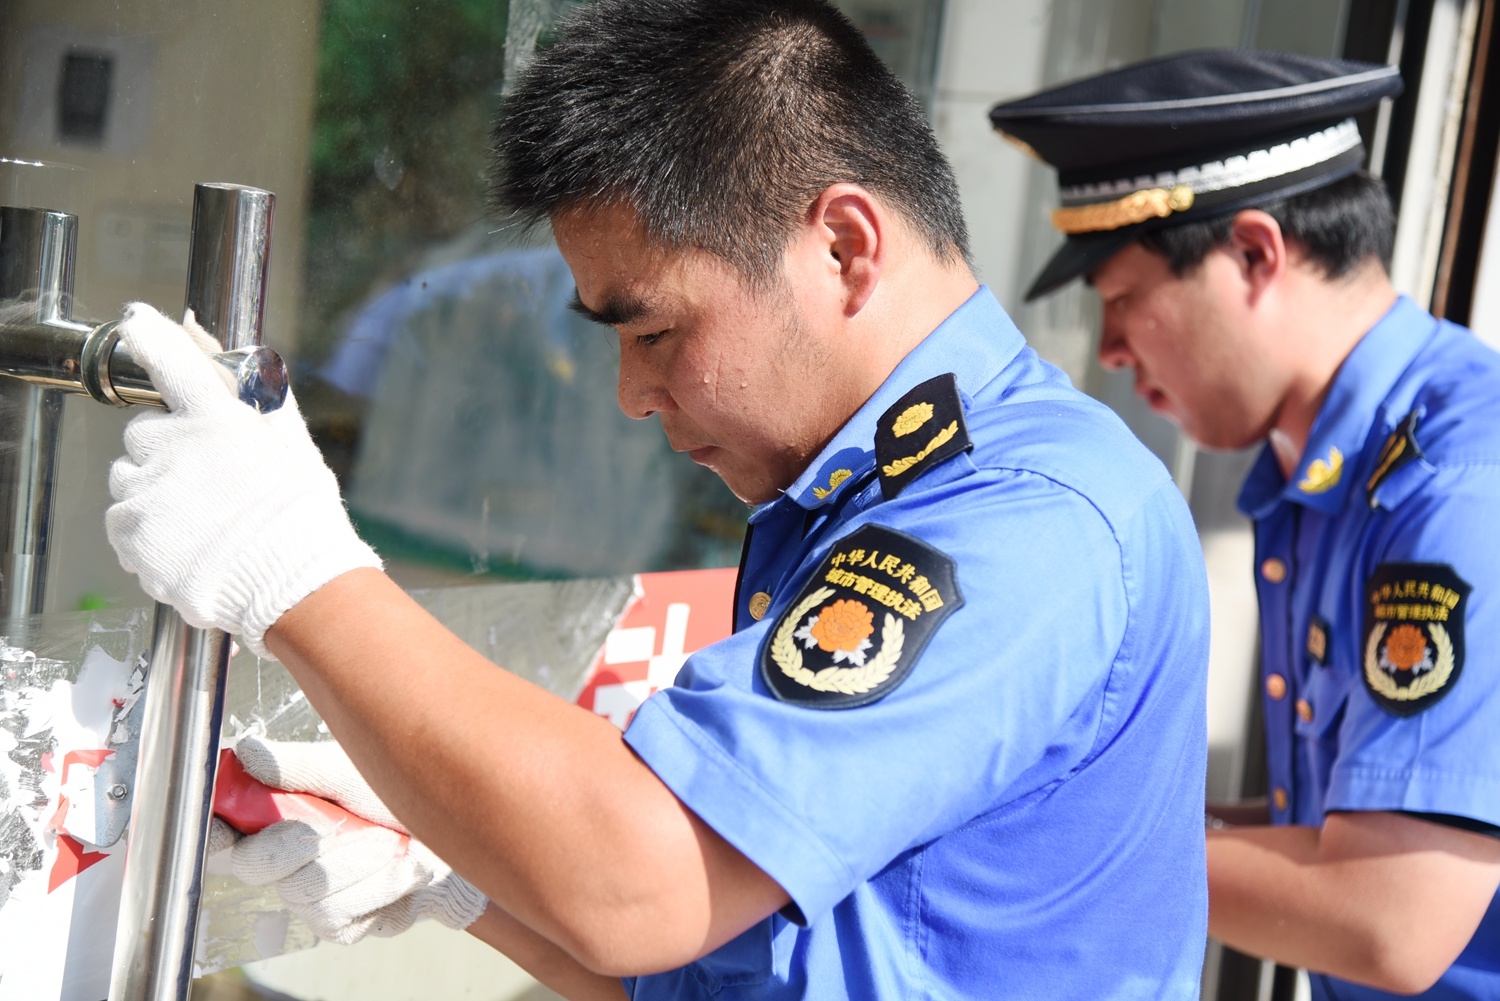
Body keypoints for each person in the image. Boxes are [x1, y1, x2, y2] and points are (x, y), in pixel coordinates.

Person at [105, 2, 1212, 998]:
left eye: (656, 331)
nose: (636, 393)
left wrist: (290, 569)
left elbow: (644, 885)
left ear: (842, 245)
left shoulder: (1021, 517)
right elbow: (719, 961)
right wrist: (447, 875)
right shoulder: (867, 495)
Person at [990, 48, 1500, 1000]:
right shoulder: (1330, 473)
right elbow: (1337, 819)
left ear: (1257, 255)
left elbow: (1388, 912)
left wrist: (1057, 832)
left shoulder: (1456, 487)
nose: (1107, 354)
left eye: (1123, 300)